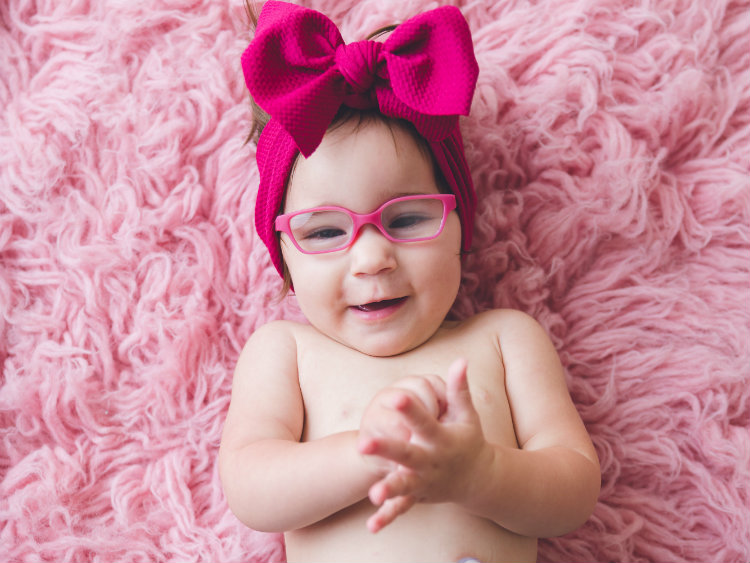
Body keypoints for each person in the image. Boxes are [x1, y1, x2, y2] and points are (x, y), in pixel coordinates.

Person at [218, 2, 600, 562]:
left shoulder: (504, 340)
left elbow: (574, 492)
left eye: (407, 219)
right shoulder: (286, 353)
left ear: (459, 224)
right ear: (284, 255)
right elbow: (250, 489)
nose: (372, 258)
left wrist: (482, 473)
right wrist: (368, 453)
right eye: (324, 232)